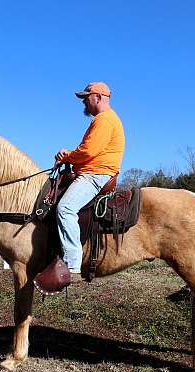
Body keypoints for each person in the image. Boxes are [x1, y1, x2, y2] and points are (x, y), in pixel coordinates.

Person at [53, 81, 125, 274]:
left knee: (65, 208)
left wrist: (67, 155)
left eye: (86, 98)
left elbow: (88, 151)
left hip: (96, 174)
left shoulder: (104, 120)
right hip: (94, 171)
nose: (84, 102)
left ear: (98, 97)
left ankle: (72, 264)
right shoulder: (105, 120)